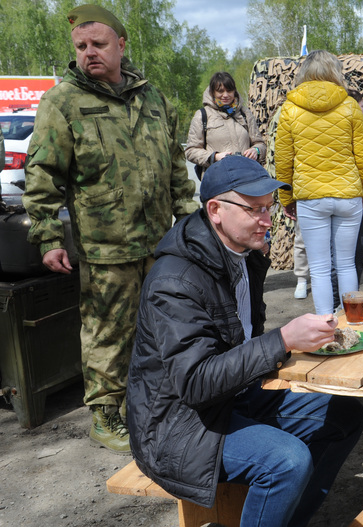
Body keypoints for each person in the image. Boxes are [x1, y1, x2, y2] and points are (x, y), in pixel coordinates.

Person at [127, 155, 363, 526]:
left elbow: (243, 339)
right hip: (177, 425)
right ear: (215, 210)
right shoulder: (175, 280)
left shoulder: (242, 253)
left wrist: (293, 341)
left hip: (234, 397)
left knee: (344, 414)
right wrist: (284, 339)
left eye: (268, 209)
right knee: (286, 460)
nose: (267, 221)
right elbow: (194, 383)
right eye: (254, 210)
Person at [22, 4, 198, 454]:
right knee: (106, 335)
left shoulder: (153, 98)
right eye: (81, 47)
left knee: (162, 326)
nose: (88, 54)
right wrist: (46, 236)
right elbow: (43, 173)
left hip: (159, 244)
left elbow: (175, 167)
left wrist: (190, 222)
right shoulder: (62, 102)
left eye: (98, 44)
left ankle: (156, 404)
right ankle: (104, 414)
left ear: (121, 45)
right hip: (106, 248)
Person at [275, 50, 363, 315]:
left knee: (318, 268)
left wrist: (286, 198)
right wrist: (362, 190)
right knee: (346, 265)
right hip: (348, 194)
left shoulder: (290, 109)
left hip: (310, 196)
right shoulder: (350, 105)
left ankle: (326, 329)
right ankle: (353, 322)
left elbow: (283, 160)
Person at [185, 71, 266, 178]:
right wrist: (214, 157)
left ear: (234, 92)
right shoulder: (202, 115)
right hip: (216, 181)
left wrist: (256, 151)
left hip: (247, 178)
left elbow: (260, 144)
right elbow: (191, 151)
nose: (226, 95)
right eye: (220, 91)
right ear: (212, 92)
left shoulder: (245, 113)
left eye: (229, 90)